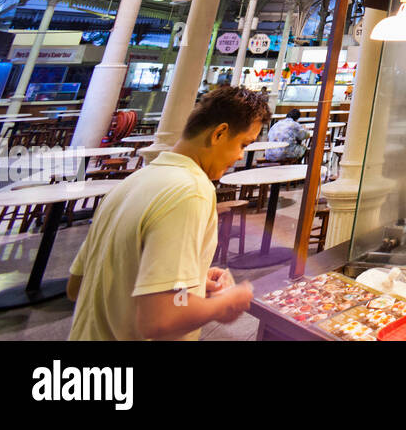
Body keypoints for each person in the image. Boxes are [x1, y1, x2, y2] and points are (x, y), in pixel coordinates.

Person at [67, 86, 270, 340]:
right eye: (243, 144)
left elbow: (77, 286)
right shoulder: (191, 191)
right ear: (220, 133)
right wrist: (226, 303)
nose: (240, 156)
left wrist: (191, 282)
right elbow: (161, 319)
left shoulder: (131, 183)